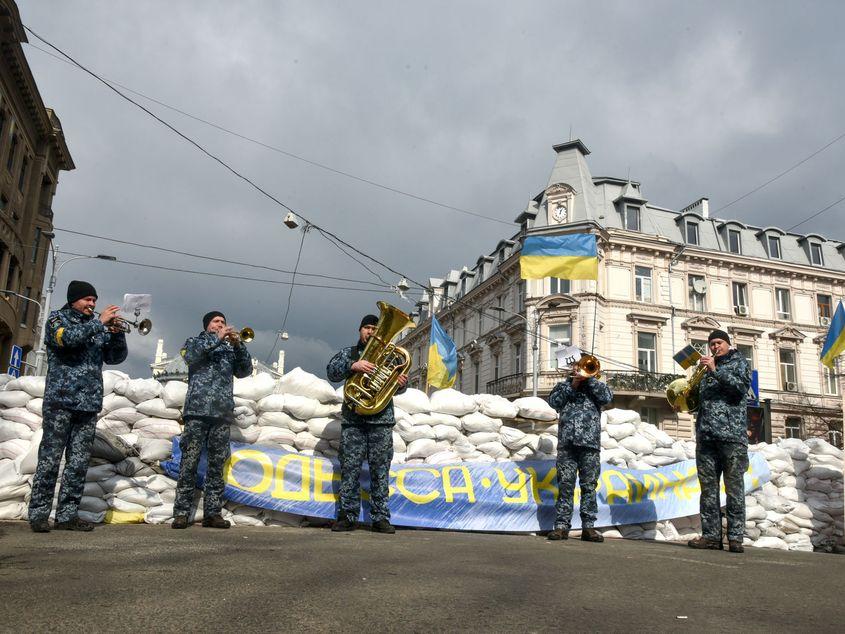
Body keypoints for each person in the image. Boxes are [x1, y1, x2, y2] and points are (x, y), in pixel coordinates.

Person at [28, 280, 128, 532]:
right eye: (87, 300)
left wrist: (118, 335)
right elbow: (67, 340)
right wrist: (99, 323)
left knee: (78, 462)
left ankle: (67, 516)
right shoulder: (57, 320)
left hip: (88, 403)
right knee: (50, 459)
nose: (92, 304)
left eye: (94, 300)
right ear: (74, 300)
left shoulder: (97, 327)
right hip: (60, 401)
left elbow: (115, 358)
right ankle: (39, 515)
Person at [326, 314, 407, 534]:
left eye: (374, 328)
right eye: (367, 328)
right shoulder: (348, 353)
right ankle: (347, 515)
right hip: (354, 421)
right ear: (359, 330)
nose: (370, 332)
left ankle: (380, 517)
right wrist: (354, 365)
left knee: (380, 470)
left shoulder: (390, 356)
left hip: (380, 421)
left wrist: (400, 383)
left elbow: (398, 387)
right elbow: (331, 372)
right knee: (350, 469)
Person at [172, 311, 252, 529]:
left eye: (223, 322)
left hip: (221, 413)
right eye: (217, 322)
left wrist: (238, 345)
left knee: (217, 464)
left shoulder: (229, 348)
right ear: (207, 325)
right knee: (189, 462)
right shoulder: (194, 342)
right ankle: (181, 512)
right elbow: (190, 356)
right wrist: (217, 339)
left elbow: (245, 371)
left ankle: (212, 513)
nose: (222, 325)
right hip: (197, 411)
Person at [688, 329, 751, 554]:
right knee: (708, 490)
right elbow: (702, 399)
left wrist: (715, 370)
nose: (715, 347)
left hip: (732, 437)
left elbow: (740, 389)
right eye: (712, 344)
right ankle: (711, 536)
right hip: (706, 436)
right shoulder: (705, 368)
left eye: (718, 343)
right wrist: (685, 402)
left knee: (734, 488)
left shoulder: (739, 362)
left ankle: (735, 538)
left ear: (727, 343)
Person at [546, 363, 613, 542]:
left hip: (589, 444)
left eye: (582, 367)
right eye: (577, 367)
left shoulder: (596, 386)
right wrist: (572, 385)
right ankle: (561, 526)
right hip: (567, 444)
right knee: (565, 486)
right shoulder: (563, 386)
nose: (580, 370)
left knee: (589, 486)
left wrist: (589, 380)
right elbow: (554, 403)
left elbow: (606, 398)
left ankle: (588, 527)